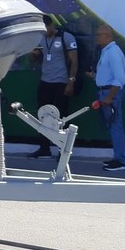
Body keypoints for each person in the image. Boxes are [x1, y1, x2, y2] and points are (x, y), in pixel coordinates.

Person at [26, 15, 79, 159]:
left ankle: (63, 151)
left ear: (51, 25)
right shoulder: (41, 39)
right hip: (45, 82)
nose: (44, 32)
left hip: (61, 82)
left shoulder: (66, 38)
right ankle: (44, 149)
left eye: (45, 29)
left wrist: (71, 81)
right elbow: (33, 59)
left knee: (62, 117)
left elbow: (74, 61)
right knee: (43, 115)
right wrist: (33, 54)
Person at [85, 24, 125, 171]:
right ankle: (118, 157)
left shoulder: (113, 53)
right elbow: (109, 76)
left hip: (111, 95)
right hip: (106, 92)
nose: (97, 38)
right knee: (112, 126)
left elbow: (119, 79)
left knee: (116, 126)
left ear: (108, 36)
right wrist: (95, 77)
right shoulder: (106, 52)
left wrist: (109, 97)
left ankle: (122, 161)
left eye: (99, 35)